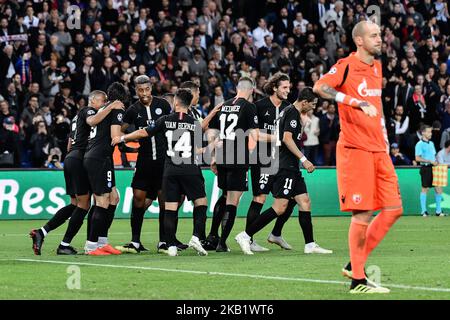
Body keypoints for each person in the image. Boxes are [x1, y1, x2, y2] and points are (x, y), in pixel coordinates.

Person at [313, 20, 403, 294]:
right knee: (363, 213)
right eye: (374, 35)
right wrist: (355, 102)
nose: (380, 38)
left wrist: (386, 139)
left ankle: (355, 264)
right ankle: (358, 281)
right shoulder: (346, 65)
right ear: (360, 41)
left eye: (380, 34)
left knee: (394, 209)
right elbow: (320, 87)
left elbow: (377, 107)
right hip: (356, 149)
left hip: (379, 149)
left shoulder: (377, 67)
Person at [235, 88, 333, 256]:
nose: (313, 108)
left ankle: (310, 244)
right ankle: (245, 235)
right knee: (280, 207)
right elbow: (287, 138)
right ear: (304, 102)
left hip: (290, 166)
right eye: (313, 104)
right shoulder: (293, 113)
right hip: (284, 166)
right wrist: (304, 159)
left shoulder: (287, 111)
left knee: (305, 202)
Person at [112, 89, 208, 257]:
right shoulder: (195, 123)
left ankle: (170, 245)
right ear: (189, 103)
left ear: (176, 103)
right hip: (189, 167)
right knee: (201, 203)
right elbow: (199, 149)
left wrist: (122, 138)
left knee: (169, 207)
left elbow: (143, 132)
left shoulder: (164, 120)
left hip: (169, 169)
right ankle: (196, 236)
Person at [29, 91, 124, 255]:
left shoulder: (75, 117)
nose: (104, 104)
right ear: (92, 100)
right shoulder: (88, 111)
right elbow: (93, 121)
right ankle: (68, 244)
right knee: (85, 204)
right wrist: (111, 107)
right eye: (102, 101)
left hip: (72, 157)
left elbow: (69, 144)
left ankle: (43, 232)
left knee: (76, 204)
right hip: (80, 159)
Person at [114, 75, 175, 254]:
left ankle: (163, 241)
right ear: (136, 91)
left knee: (164, 202)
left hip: (163, 162)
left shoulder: (163, 105)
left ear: (151, 88)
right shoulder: (133, 110)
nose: (144, 93)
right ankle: (135, 241)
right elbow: (119, 131)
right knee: (139, 200)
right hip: (144, 162)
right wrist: (123, 146)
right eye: (140, 90)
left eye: (147, 89)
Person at [206, 77, 261, 252]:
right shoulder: (249, 107)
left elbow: (213, 132)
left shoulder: (224, 105)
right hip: (238, 158)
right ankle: (222, 243)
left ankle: (212, 236)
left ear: (237, 88)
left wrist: (214, 155)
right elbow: (254, 135)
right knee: (233, 201)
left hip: (222, 156)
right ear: (251, 90)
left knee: (223, 196)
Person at [83, 83, 128, 255]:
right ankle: (91, 245)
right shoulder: (116, 109)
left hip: (103, 157)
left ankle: (102, 241)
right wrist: (136, 135)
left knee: (113, 198)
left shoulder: (105, 109)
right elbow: (115, 137)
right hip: (98, 158)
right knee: (102, 201)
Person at [415, 125, 444, 217]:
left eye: (430, 132)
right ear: (423, 132)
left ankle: (438, 211)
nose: (430, 133)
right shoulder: (419, 144)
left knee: (438, 188)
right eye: (428, 132)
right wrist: (429, 161)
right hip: (426, 168)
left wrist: (436, 162)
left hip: (434, 168)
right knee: (425, 188)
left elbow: (434, 155)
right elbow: (417, 158)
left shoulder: (431, 143)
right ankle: (423, 211)